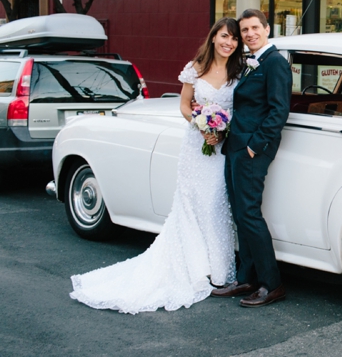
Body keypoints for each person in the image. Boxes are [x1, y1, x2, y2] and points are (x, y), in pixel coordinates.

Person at [69, 18, 245, 313]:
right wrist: (200, 124)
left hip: (222, 147)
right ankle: (193, 267)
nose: (229, 43)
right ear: (213, 37)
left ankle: (218, 271)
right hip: (196, 146)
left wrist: (221, 130)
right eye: (225, 36)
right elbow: (185, 105)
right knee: (190, 203)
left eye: (234, 39)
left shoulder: (238, 72)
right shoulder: (195, 69)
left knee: (215, 202)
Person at [211, 9, 292, 308]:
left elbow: (278, 110)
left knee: (249, 213)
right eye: (244, 30)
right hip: (234, 146)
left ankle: (271, 284)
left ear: (267, 29)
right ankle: (247, 277)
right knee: (238, 212)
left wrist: (254, 147)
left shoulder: (275, 63)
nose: (249, 34)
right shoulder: (249, 63)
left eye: (254, 28)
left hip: (251, 150)